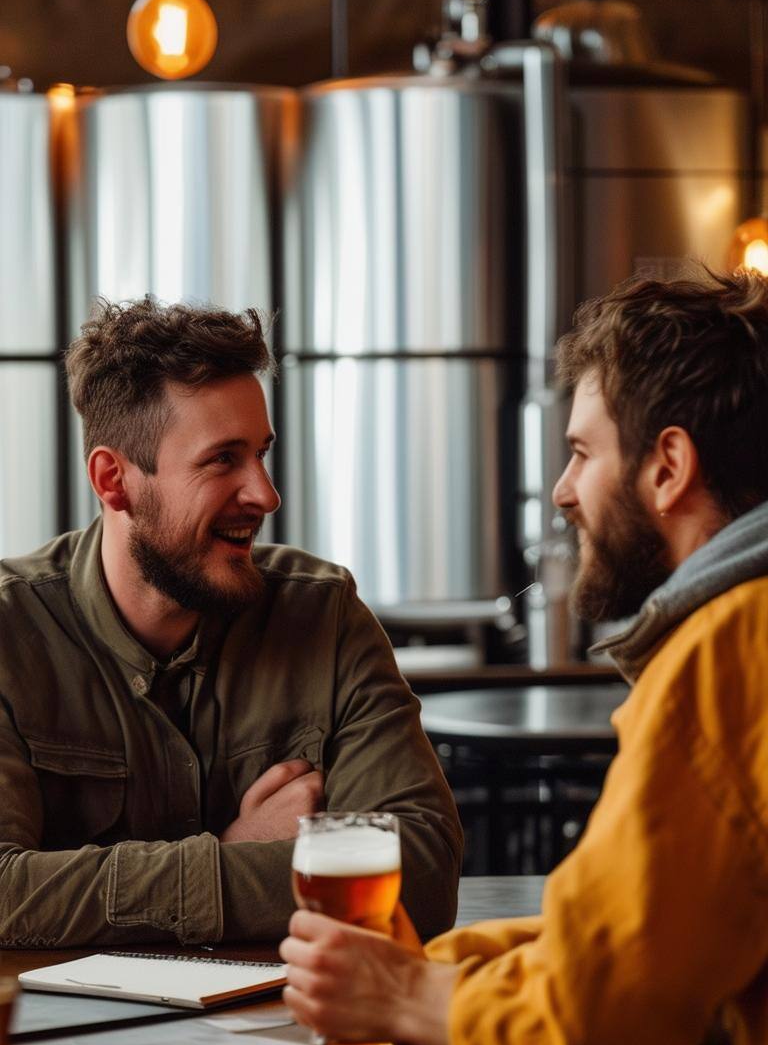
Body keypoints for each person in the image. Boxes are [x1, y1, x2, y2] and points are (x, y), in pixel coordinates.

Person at [281, 266, 768, 1045]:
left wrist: (400, 999)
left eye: (582, 452)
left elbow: (589, 1022)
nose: (564, 491)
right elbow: (646, 937)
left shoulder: (730, 651)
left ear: (669, 468)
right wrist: (430, 967)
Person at [0, 297, 462, 947]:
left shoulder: (323, 614)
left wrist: (169, 882)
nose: (266, 495)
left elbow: (423, 872)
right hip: (57, 1043)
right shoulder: (9, 631)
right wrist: (228, 852)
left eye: (261, 454)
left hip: (293, 1031)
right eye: (223, 460)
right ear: (115, 481)